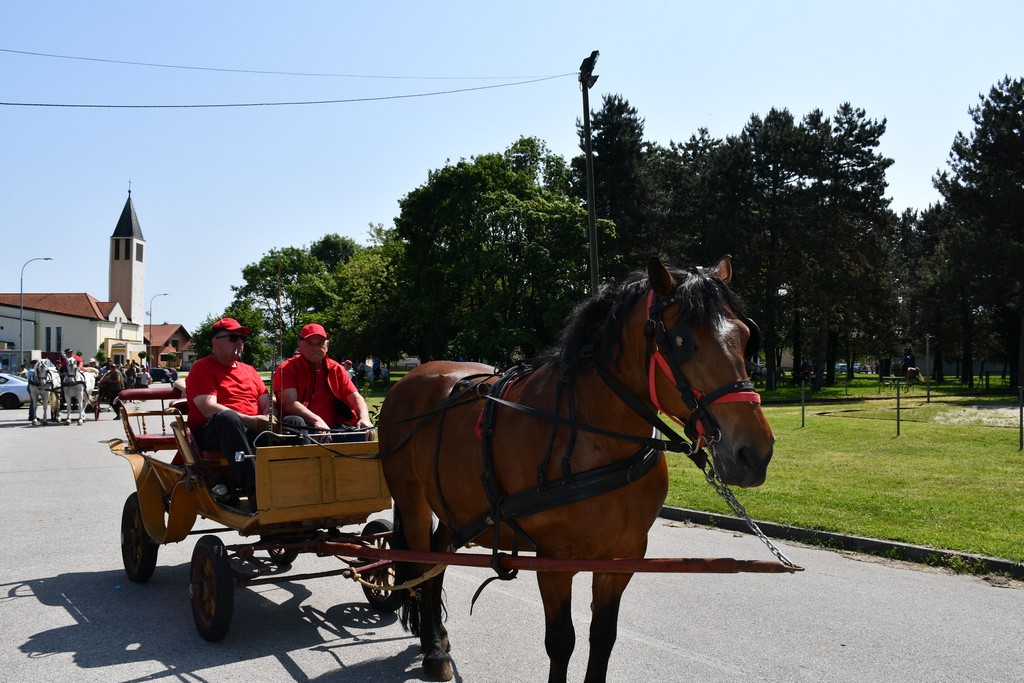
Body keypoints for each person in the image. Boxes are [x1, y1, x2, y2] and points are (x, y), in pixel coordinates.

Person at [185, 318, 271, 508]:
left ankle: (299, 488)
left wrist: (270, 413)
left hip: (247, 429)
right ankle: (256, 491)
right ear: (216, 342)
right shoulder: (202, 368)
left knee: (294, 422)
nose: (239, 342)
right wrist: (250, 421)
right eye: (233, 337)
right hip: (212, 431)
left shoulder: (249, 370)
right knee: (228, 418)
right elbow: (208, 408)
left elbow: (266, 402)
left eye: (242, 338)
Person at [273, 323, 373, 441]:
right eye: (310, 343)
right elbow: (289, 404)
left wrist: (365, 419)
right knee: (298, 427)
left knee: (364, 434)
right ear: (300, 344)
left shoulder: (336, 369)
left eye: (320, 343)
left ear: (327, 345)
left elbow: (356, 397)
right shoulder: (287, 368)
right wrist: (317, 420)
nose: (315, 348)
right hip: (302, 429)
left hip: (332, 428)